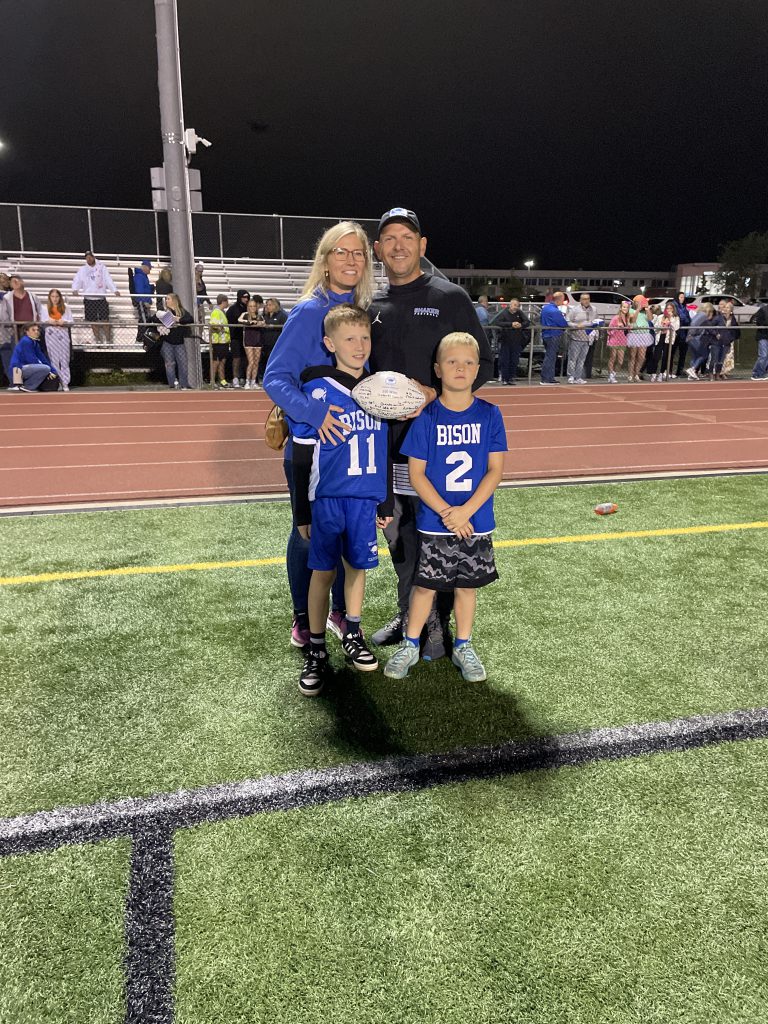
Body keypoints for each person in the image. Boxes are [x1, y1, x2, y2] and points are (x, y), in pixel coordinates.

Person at [368, 207, 494, 659]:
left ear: (423, 246)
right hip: (389, 450)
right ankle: (410, 615)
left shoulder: (449, 297)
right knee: (400, 538)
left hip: (439, 448)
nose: (398, 244)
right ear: (379, 250)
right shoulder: (374, 308)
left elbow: (483, 367)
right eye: (389, 238)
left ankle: (439, 628)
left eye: (407, 236)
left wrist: (432, 393)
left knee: (439, 536)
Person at [263, 220, 375, 650]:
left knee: (346, 532)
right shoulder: (311, 311)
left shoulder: (363, 311)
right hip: (313, 446)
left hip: (353, 448)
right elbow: (275, 378)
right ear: (325, 261)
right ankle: (301, 616)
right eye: (340, 252)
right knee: (306, 532)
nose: (350, 260)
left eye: (358, 252)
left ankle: (339, 613)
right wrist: (315, 412)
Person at [383, 331, 506, 682]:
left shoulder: (490, 414)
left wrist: (465, 511)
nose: (461, 368)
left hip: (475, 519)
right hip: (436, 521)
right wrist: (446, 512)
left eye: (469, 362)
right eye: (452, 361)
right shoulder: (426, 416)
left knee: (467, 587)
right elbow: (417, 475)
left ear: (477, 368)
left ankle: (464, 646)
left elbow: (495, 471)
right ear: (438, 369)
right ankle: (410, 643)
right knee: (425, 586)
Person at [290, 304, 393, 696]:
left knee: (357, 569)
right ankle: (316, 648)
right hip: (328, 497)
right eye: (349, 338)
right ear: (329, 343)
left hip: (364, 499)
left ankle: (352, 631)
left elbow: (382, 448)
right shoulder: (316, 391)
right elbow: (301, 453)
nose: (359, 345)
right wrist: (302, 510)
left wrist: (384, 502)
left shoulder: (378, 391)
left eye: (365, 337)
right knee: (323, 572)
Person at [71, 251, 120, 345]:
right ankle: (98, 340)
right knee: (93, 321)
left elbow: (108, 279)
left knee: (105, 319)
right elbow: (77, 279)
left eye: (90, 257)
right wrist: (75, 289)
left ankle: (109, 340)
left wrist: (114, 290)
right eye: (87, 257)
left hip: (100, 298)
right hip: (89, 298)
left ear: (94, 257)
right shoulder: (83, 269)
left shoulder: (102, 267)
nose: (89, 259)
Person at [1, 276, 43, 383]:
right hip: (16, 330)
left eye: (17, 280)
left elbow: (40, 311)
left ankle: (33, 381)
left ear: (22, 282)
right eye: (12, 282)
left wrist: (38, 325)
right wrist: (10, 328)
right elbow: (4, 315)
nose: (15, 283)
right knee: (16, 357)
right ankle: (16, 382)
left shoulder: (32, 296)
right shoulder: (7, 298)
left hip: (31, 330)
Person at [152, 293, 193, 389]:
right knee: (170, 364)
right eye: (166, 299)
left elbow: (190, 319)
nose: (166, 301)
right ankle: (173, 384)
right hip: (167, 342)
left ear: (174, 300)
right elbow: (154, 318)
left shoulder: (181, 311)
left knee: (183, 364)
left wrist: (178, 319)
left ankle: (184, 384)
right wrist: (163, 319)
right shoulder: (164, 311)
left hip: (179, 342)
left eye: (168, 299)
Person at [8, 323, 59, 392]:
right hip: (17, 370)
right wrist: (48, 371)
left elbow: (43, 359)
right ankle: (28, 386)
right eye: (33, 330)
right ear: (27, 331)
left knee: (46, 368)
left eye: (37, 330)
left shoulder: (35, 343)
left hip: (26, 368)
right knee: (45, 368)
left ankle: (28, 386)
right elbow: (31, 359)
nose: (36, 332)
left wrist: (53, 372)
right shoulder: (26, 341)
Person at [490, 298, 530, 384]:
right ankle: (505, 378)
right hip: (505, 340)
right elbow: (496, 322)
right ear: (510, 305)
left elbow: (527, 322)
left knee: (514, 360)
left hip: (516, 340)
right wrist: (511, 324)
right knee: (505, 359)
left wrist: (520, 325)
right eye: (515, 305)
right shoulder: (504, 313)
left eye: (518, 306)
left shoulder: (520, 313)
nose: (516, 307)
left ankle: (511, 377)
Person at [40, 289, 74, 391]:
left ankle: (65, 382)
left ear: (60, 297)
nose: (55, 299)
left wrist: (64, 322)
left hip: (63, 334)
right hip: (51, 335)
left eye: (57, 296)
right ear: (50, 298)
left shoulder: (66, 308)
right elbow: (42, 322)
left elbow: (71, 322)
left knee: (64, 359)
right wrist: (49, 321)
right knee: (54, 360)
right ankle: (57, 381)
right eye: (53, 296)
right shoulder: (45, 308)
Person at [685, 303, 724, 380]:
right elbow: (708, 326)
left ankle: (692, 374)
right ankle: (693, 369)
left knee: (695, 356)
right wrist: (716, 333)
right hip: (695, 337)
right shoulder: (704, 317)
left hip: (689, 337)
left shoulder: (698, 314)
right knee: (704, 355)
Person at [566, 291, 596, 384]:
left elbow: (595, 320)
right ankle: (571, 376)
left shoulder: (594, 309)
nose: (586, 301)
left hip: (588, 338)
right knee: (573, 358)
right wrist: (576, 325)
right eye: (584, 299)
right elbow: (567, 321)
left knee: (582, 359)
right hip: (576, 337)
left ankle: (578, 377)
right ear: (580, 300)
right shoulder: (574, 310)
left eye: (588, 299)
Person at [539, 291, 568, 385]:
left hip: (546, 335)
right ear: (559, 299)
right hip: (553, 335)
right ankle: (547, 378)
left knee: (549, 356)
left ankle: (547, 377)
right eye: (563, 299)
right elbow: (563, 324)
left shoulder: (545, 308)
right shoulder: (555, 311)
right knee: (551, 357)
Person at [647, 301, 679, 381]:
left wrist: (670, 319)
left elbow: (676, 327)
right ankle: (653, 373)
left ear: (673, 309)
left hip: (668, 339)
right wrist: (661, 325)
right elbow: (655, 327)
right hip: (660, 337)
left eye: (670, 308)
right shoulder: (660, 316)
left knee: (665, 357)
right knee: (656, 356)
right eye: (667, 308)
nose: (669, 310)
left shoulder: (675, 318)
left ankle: (661, 373)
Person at [226, 289, 250, 388]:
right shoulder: (233, 309)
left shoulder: (248, 308)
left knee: (246, 359)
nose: (246, 299)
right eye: (244, 297)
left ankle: (244, 377)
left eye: (247, 297)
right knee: (236, 358)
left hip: (247, 337)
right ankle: (235, 378)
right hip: (236, 337)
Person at [626, 295, 654, 382]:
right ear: (635, 302)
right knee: (633, 356)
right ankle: (630, 375)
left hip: (644, 334)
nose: (641, 303)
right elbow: (633, 320)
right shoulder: (630, 310)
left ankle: (636, 374)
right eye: (639, 302)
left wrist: (647, 309)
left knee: (641, 357)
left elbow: (650, 319)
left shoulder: (645, 312)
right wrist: (638, 309)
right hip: (634, 334)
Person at [238, 297, 264, 389]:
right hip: (248, 340)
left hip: (257, 340)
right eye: (250, 306)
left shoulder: (259, 315)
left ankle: (253, 381)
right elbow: (240, 320)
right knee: (251, 362)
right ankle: (247, 382)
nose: (252, 308)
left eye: (254, 306)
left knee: (256, 362)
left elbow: (262, 323)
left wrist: (257, 323)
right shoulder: (245, 314)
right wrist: (249, 322)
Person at [209, 294, 231, 388]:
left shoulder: (221, 312)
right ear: (224, 302)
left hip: (223, 341)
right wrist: (220, 328)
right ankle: (212, 381)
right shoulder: (216, 312)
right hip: (218, 341)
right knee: (216, 361)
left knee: (222, 361)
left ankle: (222, 380)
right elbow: (213, 325)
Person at [712, 300, 738, 380]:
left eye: (727, 307)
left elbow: (735, 329)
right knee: (719, 357)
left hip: (728, 340)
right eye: (725, 307)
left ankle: (723, 373)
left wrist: (732, 337)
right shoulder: (719, 316)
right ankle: (715, 373)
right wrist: (716, 334)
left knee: (726, 358)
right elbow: (712, 326)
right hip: (720, 340)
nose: (725, 308)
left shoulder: (732, 318)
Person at [606, 299, 630, 383]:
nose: (625, 309)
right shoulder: (616, 318)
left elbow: (628, 330)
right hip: (614, 340)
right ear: (620, 308)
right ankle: (610, 376)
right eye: (624, 307)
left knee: (620, 361)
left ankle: (613, 374)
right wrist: (616, 327)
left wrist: (629, 328)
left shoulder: (627, 318)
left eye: (627, 307)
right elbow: (608, 330)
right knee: (612, 358)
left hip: (623, 341)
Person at [672, 291, 692, 377]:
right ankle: (669, 371)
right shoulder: (674, 306)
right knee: (671, 353)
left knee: (683, 354)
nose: (682, 299)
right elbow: (681, 318)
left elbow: (688, 319)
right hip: (675, 333)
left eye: (683, 297)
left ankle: (679, 371)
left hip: (684, 334)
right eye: (680, 297)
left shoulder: (684, 307)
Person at [750, 299, 768, 380]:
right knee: (763, 355)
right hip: (763, 335)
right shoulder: (763, 310)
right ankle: (756, 373)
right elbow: (759, 322)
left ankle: (763, 372)